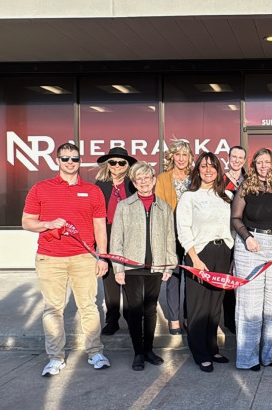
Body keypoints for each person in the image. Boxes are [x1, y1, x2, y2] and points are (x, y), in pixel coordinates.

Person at [21, 142, 111, 376]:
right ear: (57, 161)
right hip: (50, 258)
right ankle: (55, 357)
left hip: (84, 257)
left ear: (80, 161)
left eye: (75, 158)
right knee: (53, 309)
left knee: (89, 307)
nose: (70, 162)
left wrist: (102, 257)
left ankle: (95, 352)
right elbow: (27, 222)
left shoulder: (93, 191)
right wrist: (48, 224)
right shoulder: (41, 188)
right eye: (65, 158)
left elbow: (100, 226)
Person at [231, 148, 272, 370]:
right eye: (259, 162)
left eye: (267, 162)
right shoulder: (245, 187)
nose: (263, 166)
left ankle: (268, 356)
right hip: (251, 246)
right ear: (254, 165)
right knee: (250, 306)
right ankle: (248, 359)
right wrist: (247, 238)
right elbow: (236, 217)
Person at [110, 162, 177, 371]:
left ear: (153, 180)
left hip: (156, 266)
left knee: (150, 309)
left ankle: (149, 349)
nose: (144, 183)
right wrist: (118, 267)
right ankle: (138, 352)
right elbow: (116, 239)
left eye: (147, 178)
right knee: (135, 310)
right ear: (134, 183)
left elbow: (169, 238)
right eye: (139, 179)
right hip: (131, 267)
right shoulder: (124, 206)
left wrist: (169, 265)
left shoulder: (163, 206)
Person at [177, 152, 234, 372]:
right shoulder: (189, 197)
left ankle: (212, 348)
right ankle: (200, 352)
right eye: (203, 166)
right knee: (198, 307)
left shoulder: (226, 196)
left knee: (214, 305)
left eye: (212, 166)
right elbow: (183, 230)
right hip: (199, 254)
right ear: (197, 170)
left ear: (218, 170)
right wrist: (195, 259)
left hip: (223, 253)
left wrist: (231, 256)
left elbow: (231, 228)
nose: (208, 170)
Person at [94, 147, 137, 336]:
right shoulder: (100, 184)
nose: (117, 166)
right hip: (107, 231)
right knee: (110, 277)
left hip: (129, 233)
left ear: (127, 165)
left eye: (121, 162)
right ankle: (112, 319)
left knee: (128, 276)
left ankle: (130, 316)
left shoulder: (132, 184)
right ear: (108, 164)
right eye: (113, 162)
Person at [154, 139, 193, 335]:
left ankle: (188, 317)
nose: (181, 158)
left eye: (184, 155)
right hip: (172, 234)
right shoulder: (162, 178)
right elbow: (159, 208)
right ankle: (175, 319)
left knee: (193, 280)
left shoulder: (196, 177)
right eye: (177, 154)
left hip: (193, 235)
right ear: (172, 157)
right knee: (173, 278)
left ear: (189, 158)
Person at [220, 145, 247, 334]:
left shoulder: (250, 180)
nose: (237, 160)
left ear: (245, 161)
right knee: (228, 277)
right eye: (234, 157)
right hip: (226, 234)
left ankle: (244, 318)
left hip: (245, 234)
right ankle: (230, 321)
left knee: (243, 277)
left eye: (240, 157)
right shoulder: (220, 180)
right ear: (228, 158)